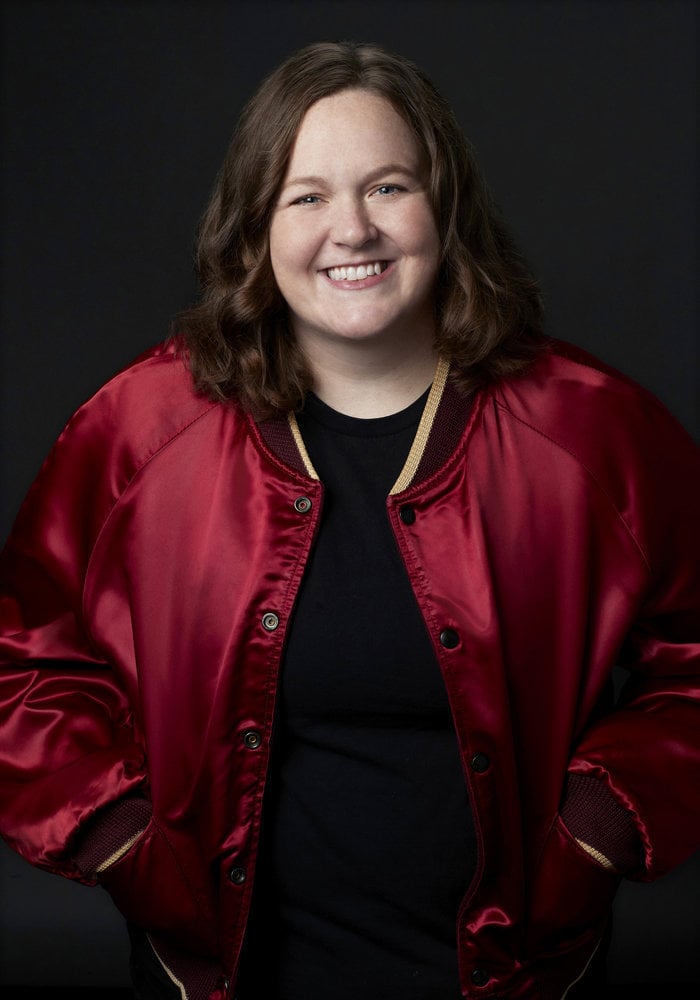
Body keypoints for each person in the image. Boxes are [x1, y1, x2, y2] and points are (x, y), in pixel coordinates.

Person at [0, 40, 699, 1000]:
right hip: (222, 978)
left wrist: (599, 826)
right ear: (256, 227)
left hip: (517, 974)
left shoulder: (591, 429)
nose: (352, 231)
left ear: (444, 207)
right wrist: (122, 842)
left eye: (388, 188)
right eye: (308, 196)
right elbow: (21, 662)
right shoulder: (139, 430)